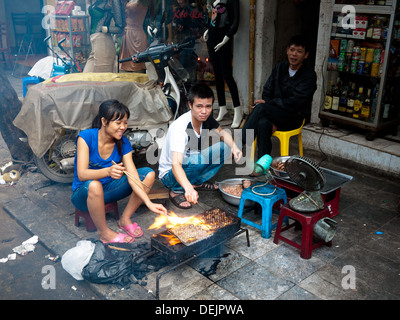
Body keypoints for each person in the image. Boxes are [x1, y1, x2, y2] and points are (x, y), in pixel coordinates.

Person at [71, 100, 167, 244]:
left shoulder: (123, 143)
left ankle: (125, 219)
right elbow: (82, 174)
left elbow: (133, 176)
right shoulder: (86, 137)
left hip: (109, 191)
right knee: (94, 185)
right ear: (104, 121)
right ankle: (104, 233)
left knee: (148, 174)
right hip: (84, 194)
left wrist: (148, 203)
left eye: (125, 123)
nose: (123, 127)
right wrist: (108, 171)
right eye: (118, 123)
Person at [158, 83, 242, 209]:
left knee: (225, 148)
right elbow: (175, 165)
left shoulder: (205, 118)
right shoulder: (180, 128)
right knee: (197, 159)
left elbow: (223, 132)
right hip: (169, 175)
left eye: (208, 106)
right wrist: (188, 189)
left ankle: (196, 182)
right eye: (199, 106)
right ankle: (176, 190)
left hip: (191, 162)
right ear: (190, 105)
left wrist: (235, 147)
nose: (204, 111)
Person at [242, 35, 317, 173]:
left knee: (261, 107)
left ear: (305, 55)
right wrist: (272, 113)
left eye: (299, 51)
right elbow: (267, 91)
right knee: (263, 123)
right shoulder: (279, 68)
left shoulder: (309, 75)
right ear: (287, 50)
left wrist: (270, 104)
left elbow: (296, 102)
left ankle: (239, 143)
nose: (294, 54)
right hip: (275, 113)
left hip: (294, 117)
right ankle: (262, 167)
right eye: (292, 50)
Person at [203, 0, 242, 128]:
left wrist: (226, 38)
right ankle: (222, 107)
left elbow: (235, 22)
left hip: (224, 40)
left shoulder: (231, 1)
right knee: (217, 75)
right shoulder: (215, 0)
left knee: (227, 75)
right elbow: (213, 19)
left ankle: (237, 110)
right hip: (212, 39)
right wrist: (208, 31)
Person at [83, 0, 125, 73]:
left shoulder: (113, 1)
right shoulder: (97, 2)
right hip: (94, 42)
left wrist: (104, 29)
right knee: (86, 78)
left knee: (103, 79)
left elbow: (120, 28)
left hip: (103, 41)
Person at [119, 0, 150, 73]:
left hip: (137, 35)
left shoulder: (142, 3)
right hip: (128, 35)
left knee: (139, 65)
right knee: (126, 65)